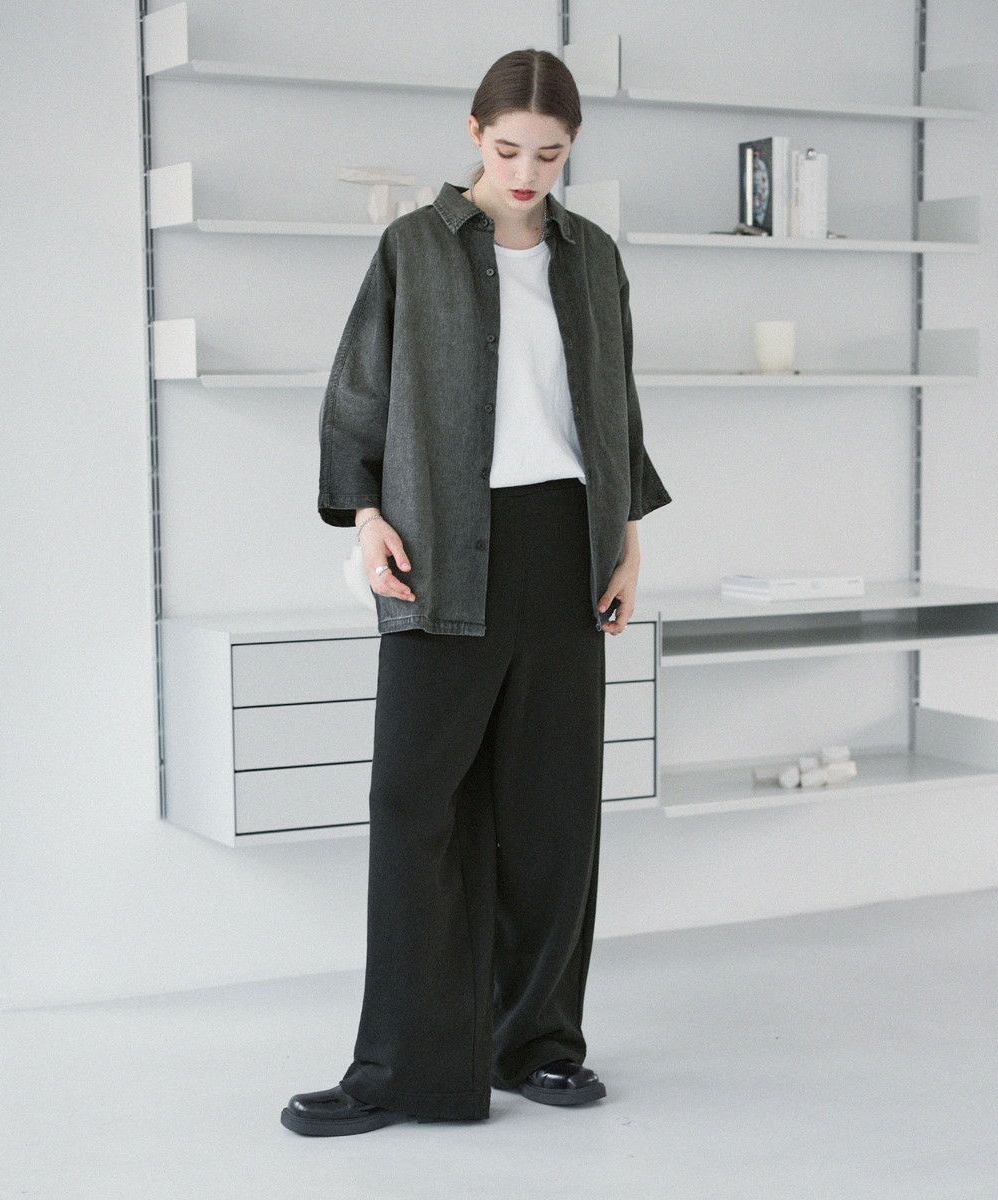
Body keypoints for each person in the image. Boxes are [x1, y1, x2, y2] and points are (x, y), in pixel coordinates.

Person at [281, 48, 672, 1138]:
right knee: (415, 807)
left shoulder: (592, 259)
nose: (527, 173)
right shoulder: (413, 247)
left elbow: (616, 405)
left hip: (565, 542)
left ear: (571, 148)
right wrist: (366, 515)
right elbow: (357, 395)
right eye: (508, 150)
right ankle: (402, 1069)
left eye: (549, 154)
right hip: (440, 545)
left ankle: (536, 1044)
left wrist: (628, 537)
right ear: (472, 134)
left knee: (552, 814)